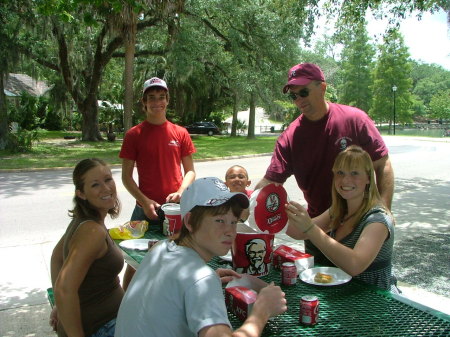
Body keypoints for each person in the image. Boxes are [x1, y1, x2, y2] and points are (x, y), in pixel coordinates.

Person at [255, 63, 394, 263]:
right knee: (319, 285)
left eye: (304, 92)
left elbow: (383, 164)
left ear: (322, 87)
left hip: (360, 223)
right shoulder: (290, 137)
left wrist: (384, 210)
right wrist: (245, 203)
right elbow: (271, 182)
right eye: (294, 96)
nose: (299, 100)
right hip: (317, 226)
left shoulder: (355, 119)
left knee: (364, 285)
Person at [114, 177, 287, 337]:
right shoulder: (201, 279)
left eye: (233, 221)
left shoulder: (161, 248)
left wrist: (200, 283)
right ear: (189, 222)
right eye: (219, 220)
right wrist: (261, 312)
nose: (230, 231)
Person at [285, 146, 398, 292]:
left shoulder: (378, 219)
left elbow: (355, 265)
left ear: (368, 178)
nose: (345, 180)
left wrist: (310, 228)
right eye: (340, 173)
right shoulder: (339, 210)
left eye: (355, 173)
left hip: (373, 299)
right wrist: (269, 214)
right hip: (342, 297)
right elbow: (298, 232)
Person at [119, 77, 196, 288]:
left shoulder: (180, 133)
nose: (157, 102)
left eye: (161, 97)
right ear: (144, 102)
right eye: (151, 98)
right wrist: (144, 201)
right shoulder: (134, 135)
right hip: (145, 210)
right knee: (135, 261)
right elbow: (126, 177)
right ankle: (126, 304)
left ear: (167, 100)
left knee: (180, 257)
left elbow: (190, 172)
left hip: (176, 209)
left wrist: (181, 191)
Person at [49, 158, 124, 337]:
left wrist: (60, 306)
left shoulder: (83, 221)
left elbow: (56, 258)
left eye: (108, 179)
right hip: (101, 327)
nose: (106, 188)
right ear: (81, 194)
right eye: (95, 185)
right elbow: (64, 288)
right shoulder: (92, 232)